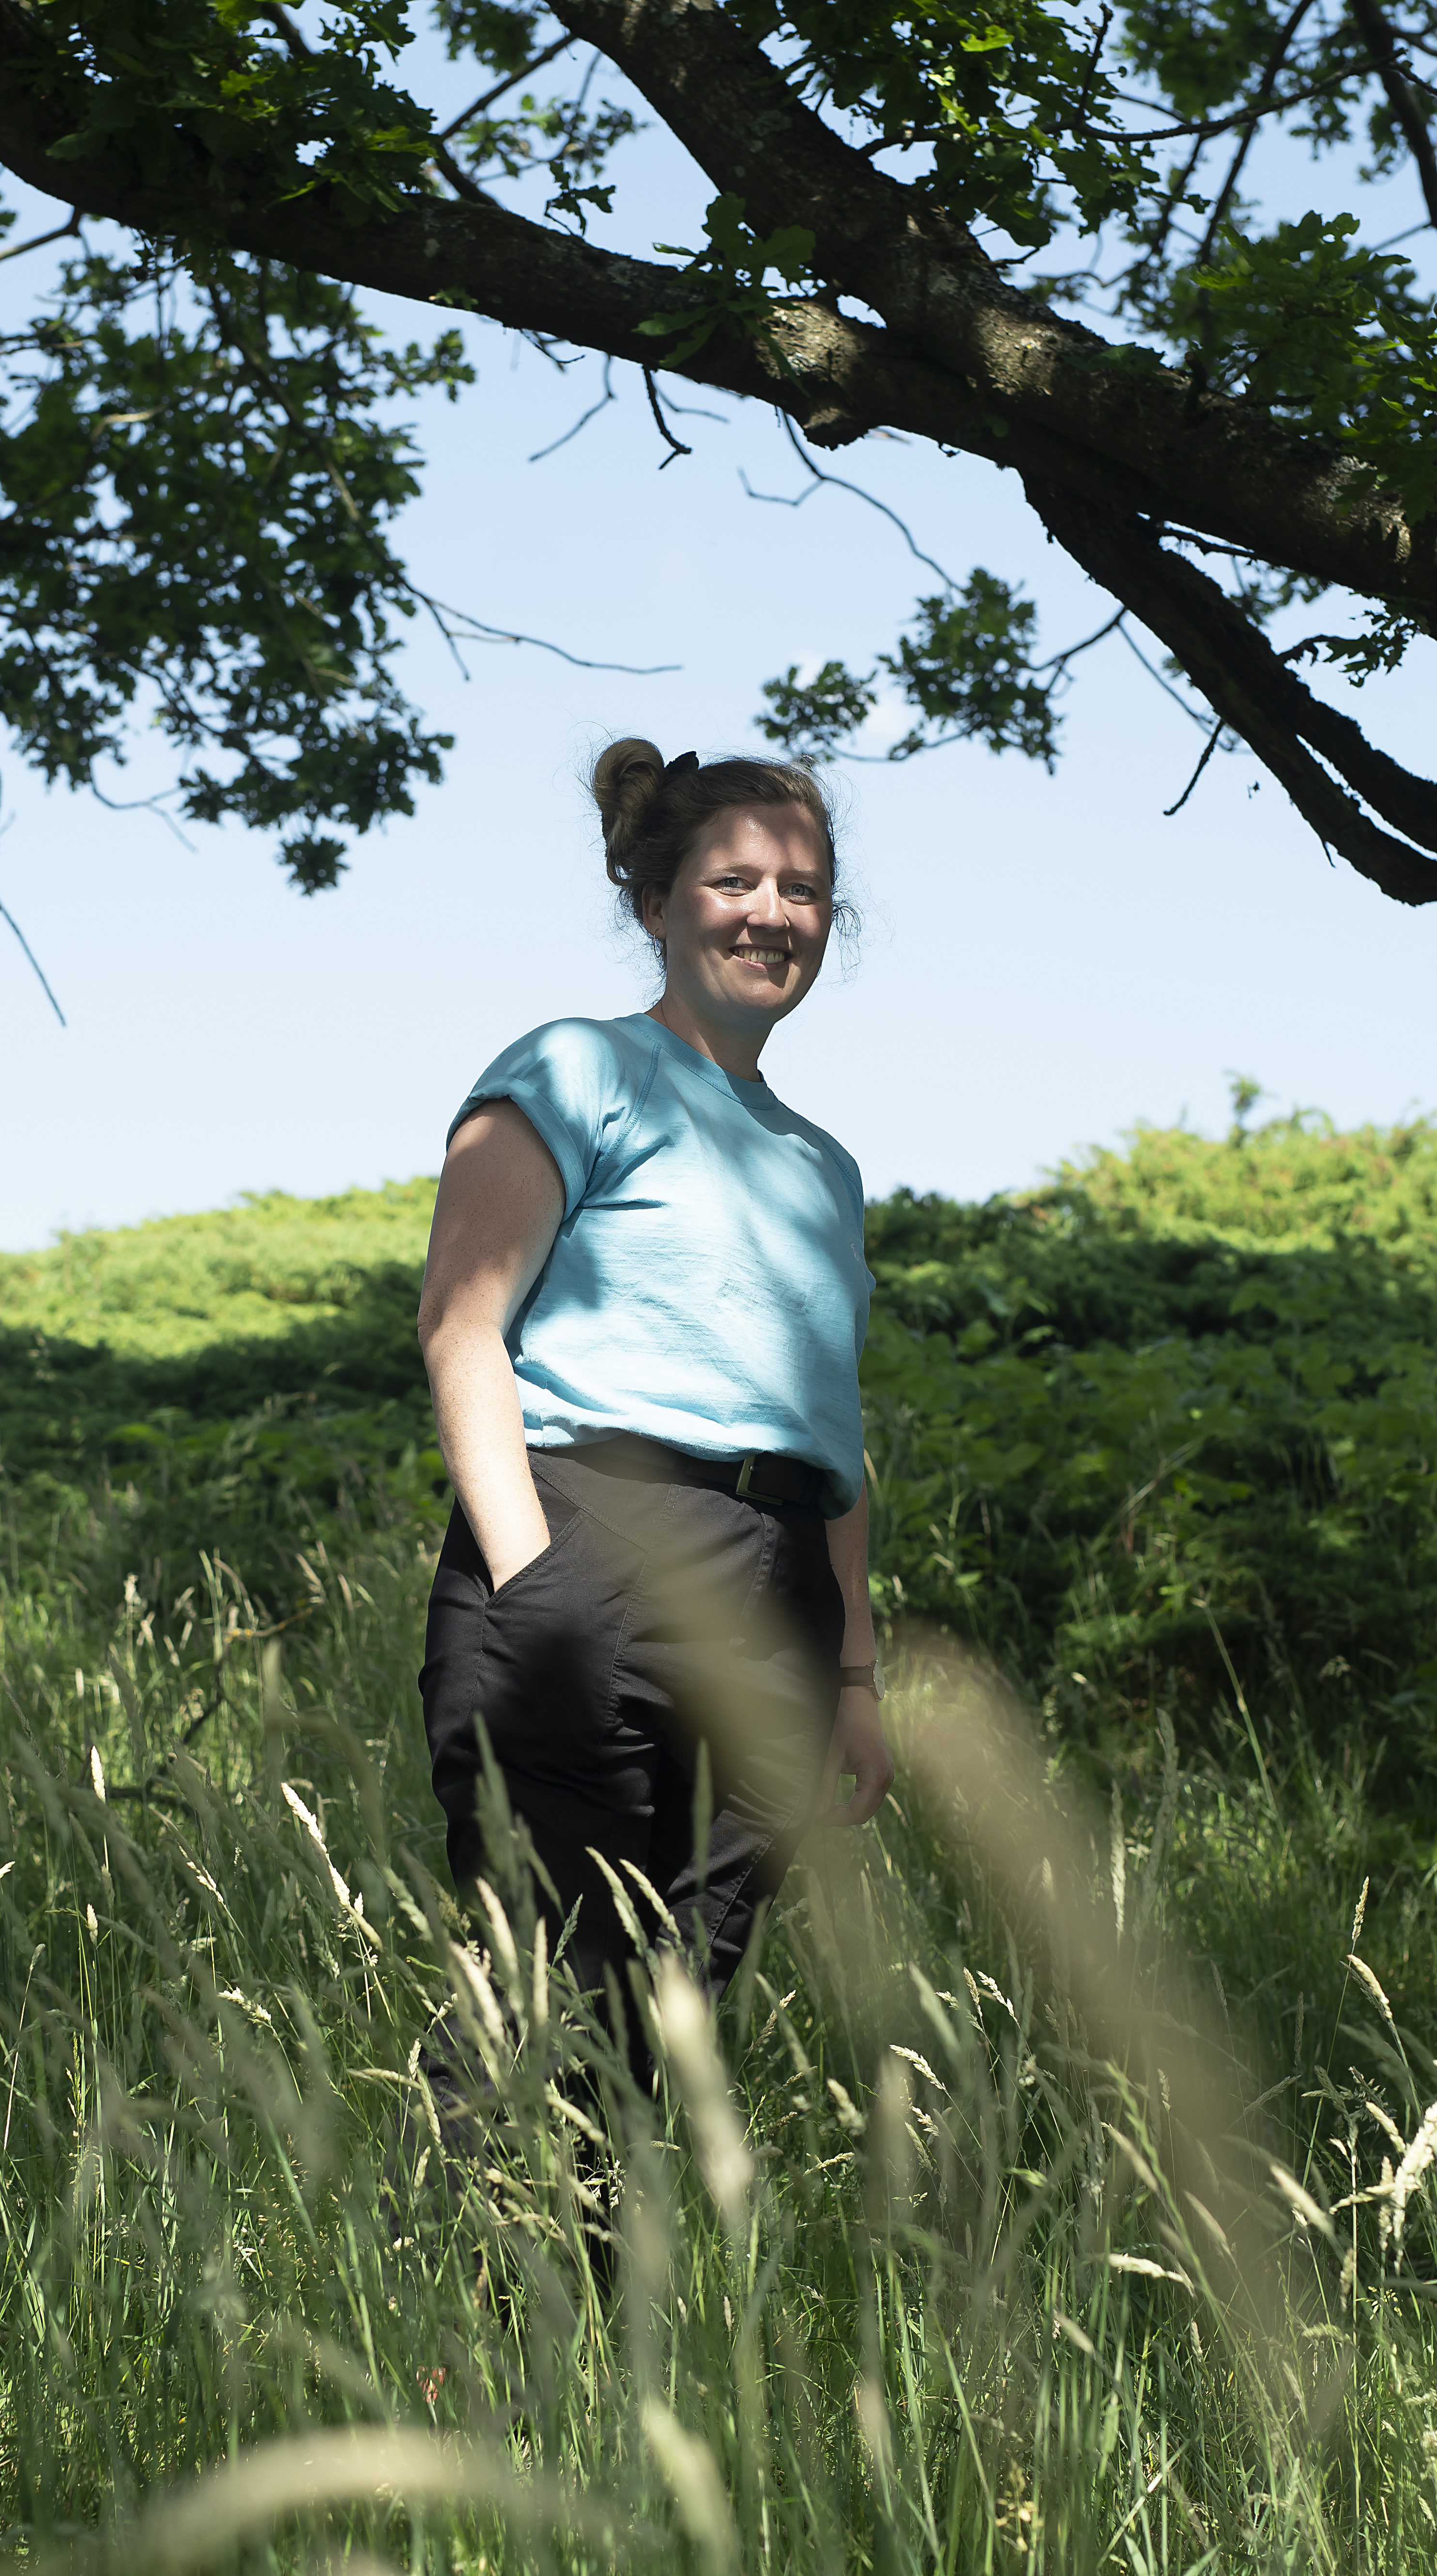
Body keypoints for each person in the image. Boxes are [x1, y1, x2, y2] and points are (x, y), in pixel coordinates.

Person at [411, 737, 893, 2128]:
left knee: (669, 2006)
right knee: (544, 1983)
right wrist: (531, 1576)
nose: (771, 913)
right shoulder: (575, 1069)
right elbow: (462, 1324)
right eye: (734, 879)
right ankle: (457, 2322)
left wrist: (853, 1670)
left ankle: (585, 2335)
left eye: (804, 890)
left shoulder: (822, 1166)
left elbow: (830, 1431)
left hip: (779, 1582)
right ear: (658, 903)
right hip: (592, 1540)